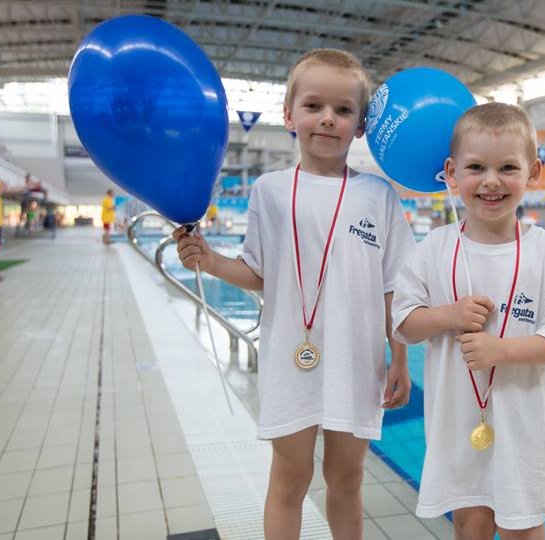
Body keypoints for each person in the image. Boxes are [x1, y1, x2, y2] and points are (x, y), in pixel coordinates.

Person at [173, 49, 414, 539]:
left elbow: (395, 287)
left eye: (344, 110)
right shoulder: (270, 190)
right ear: (289, 115)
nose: (328, 119)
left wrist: (401, 358)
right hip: (289, 358)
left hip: (356, 361)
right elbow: (262, 272)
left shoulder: (378, 195)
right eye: (313, 106)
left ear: (360, 125)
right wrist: (210, 260)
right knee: (289, 479)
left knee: (346, 480)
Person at [392, 103, 545, 540]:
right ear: (451, 172)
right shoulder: (435, 248)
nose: (490, 181)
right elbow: (404, 325)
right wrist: (448, 316)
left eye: (507, 167)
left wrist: (500, 351)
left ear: (533, 171)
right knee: (470, 524)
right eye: (476, 167)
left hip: (526, 427)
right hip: (457, 423)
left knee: (523, 526)